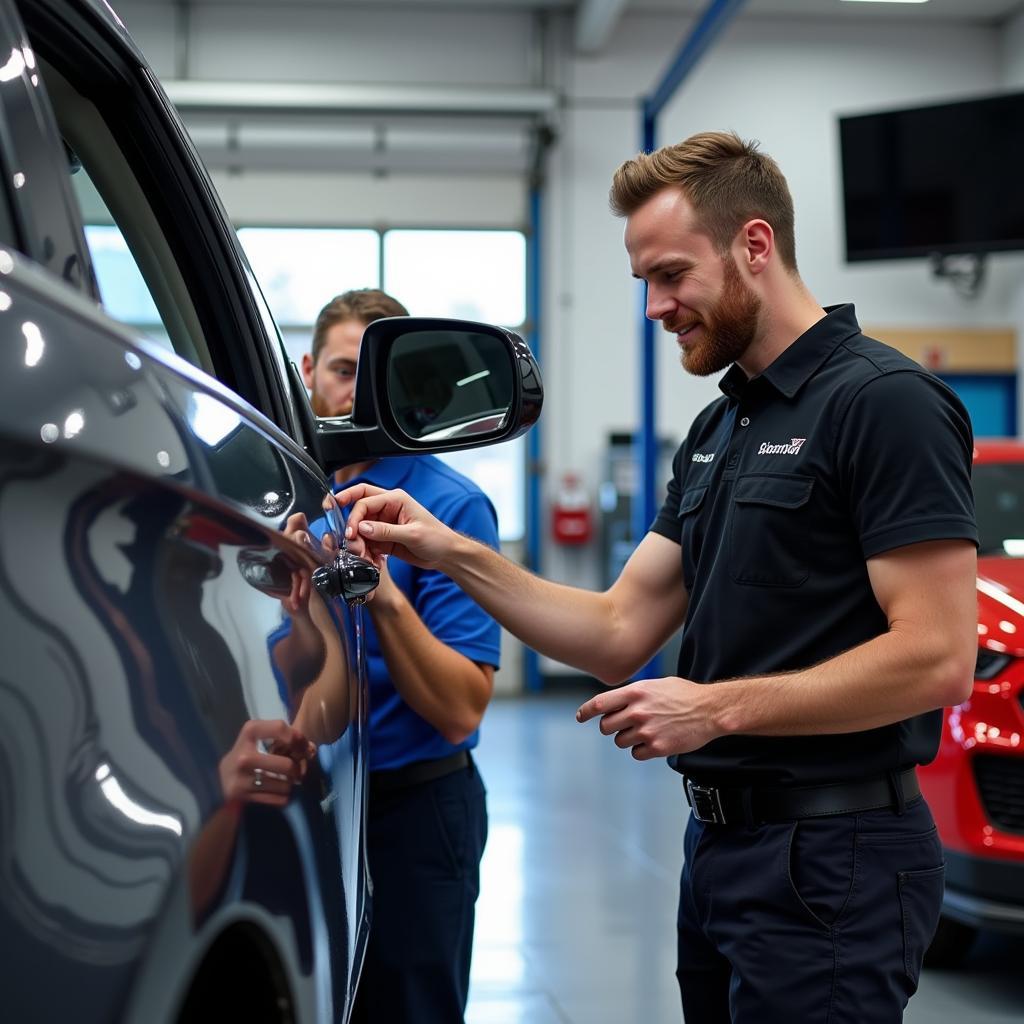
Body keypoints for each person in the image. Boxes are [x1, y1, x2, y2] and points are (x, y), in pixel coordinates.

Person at [338, 133, 979, 1023]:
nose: (654, 306)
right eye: (644, 280)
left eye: (672, 275)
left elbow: (939, 656)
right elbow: (615, 630)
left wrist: (713, 707)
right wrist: (450, 550)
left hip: (837, 855)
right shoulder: (721, 429)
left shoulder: (884, 403)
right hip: (720, 847)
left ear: (756, 246)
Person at [302, 288, 501, 1024]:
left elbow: (458, 709)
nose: (356, 394)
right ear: (308, 372)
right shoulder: (285, 495)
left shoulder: (449, 509)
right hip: (305, 803)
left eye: (376, 378)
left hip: (412, 812)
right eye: (344, 369)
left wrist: (382, 593)